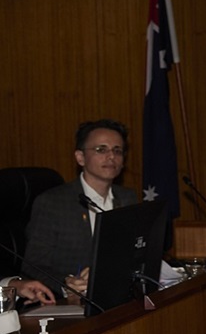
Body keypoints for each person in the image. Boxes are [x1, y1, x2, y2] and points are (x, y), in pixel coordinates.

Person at [24, 119, 139, 298]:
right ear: (80, 157)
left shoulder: (128, 198)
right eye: (101, 149)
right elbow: (32, 265)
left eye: (117, 151)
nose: (111, 157)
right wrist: (65, 284)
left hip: (120, 295)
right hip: (73, 302)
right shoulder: (52, 202)